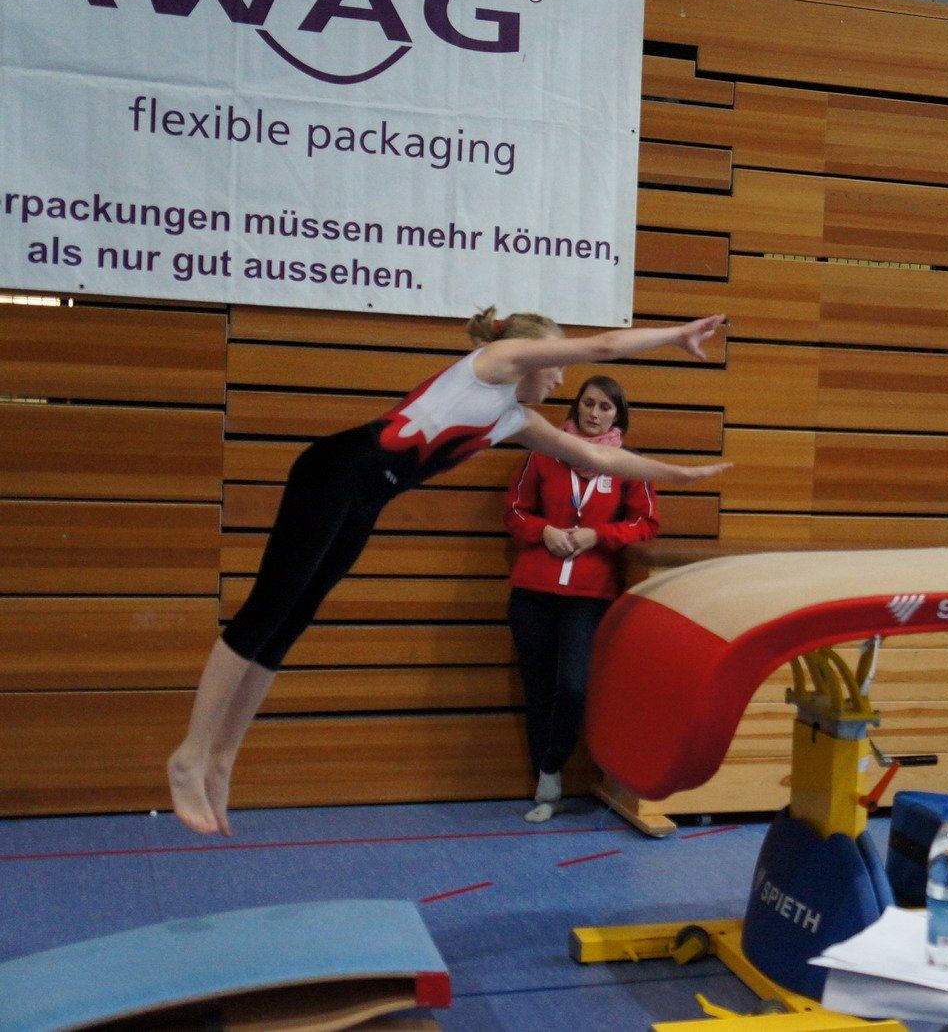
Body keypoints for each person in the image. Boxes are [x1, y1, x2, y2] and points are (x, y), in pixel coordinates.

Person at [166, 309, 728, 837]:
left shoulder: (514, 417)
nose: (560, 378)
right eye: (557, 365)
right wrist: (675, 335)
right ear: (533, 354)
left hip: (365, 497)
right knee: (267, 609)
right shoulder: (496, 364)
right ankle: (190, 755)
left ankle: (222, 758)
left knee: (289, 623)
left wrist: (676, 474)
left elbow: (600, 458)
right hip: (334, 473)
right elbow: (604, 345)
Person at [503, 375, 655, 823]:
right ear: (576, 407)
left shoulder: (628, 464)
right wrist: (543, 531)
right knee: (538, 689)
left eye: (605, 407)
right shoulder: (545, 453)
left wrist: (598, 535)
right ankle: (545, 786)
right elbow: (514, 510)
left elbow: (645, 524)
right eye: (588, 403)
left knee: (573, 686)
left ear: (617, 416)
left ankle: (552, 765)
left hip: (588, 596)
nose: (594, 413)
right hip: (533, 592)